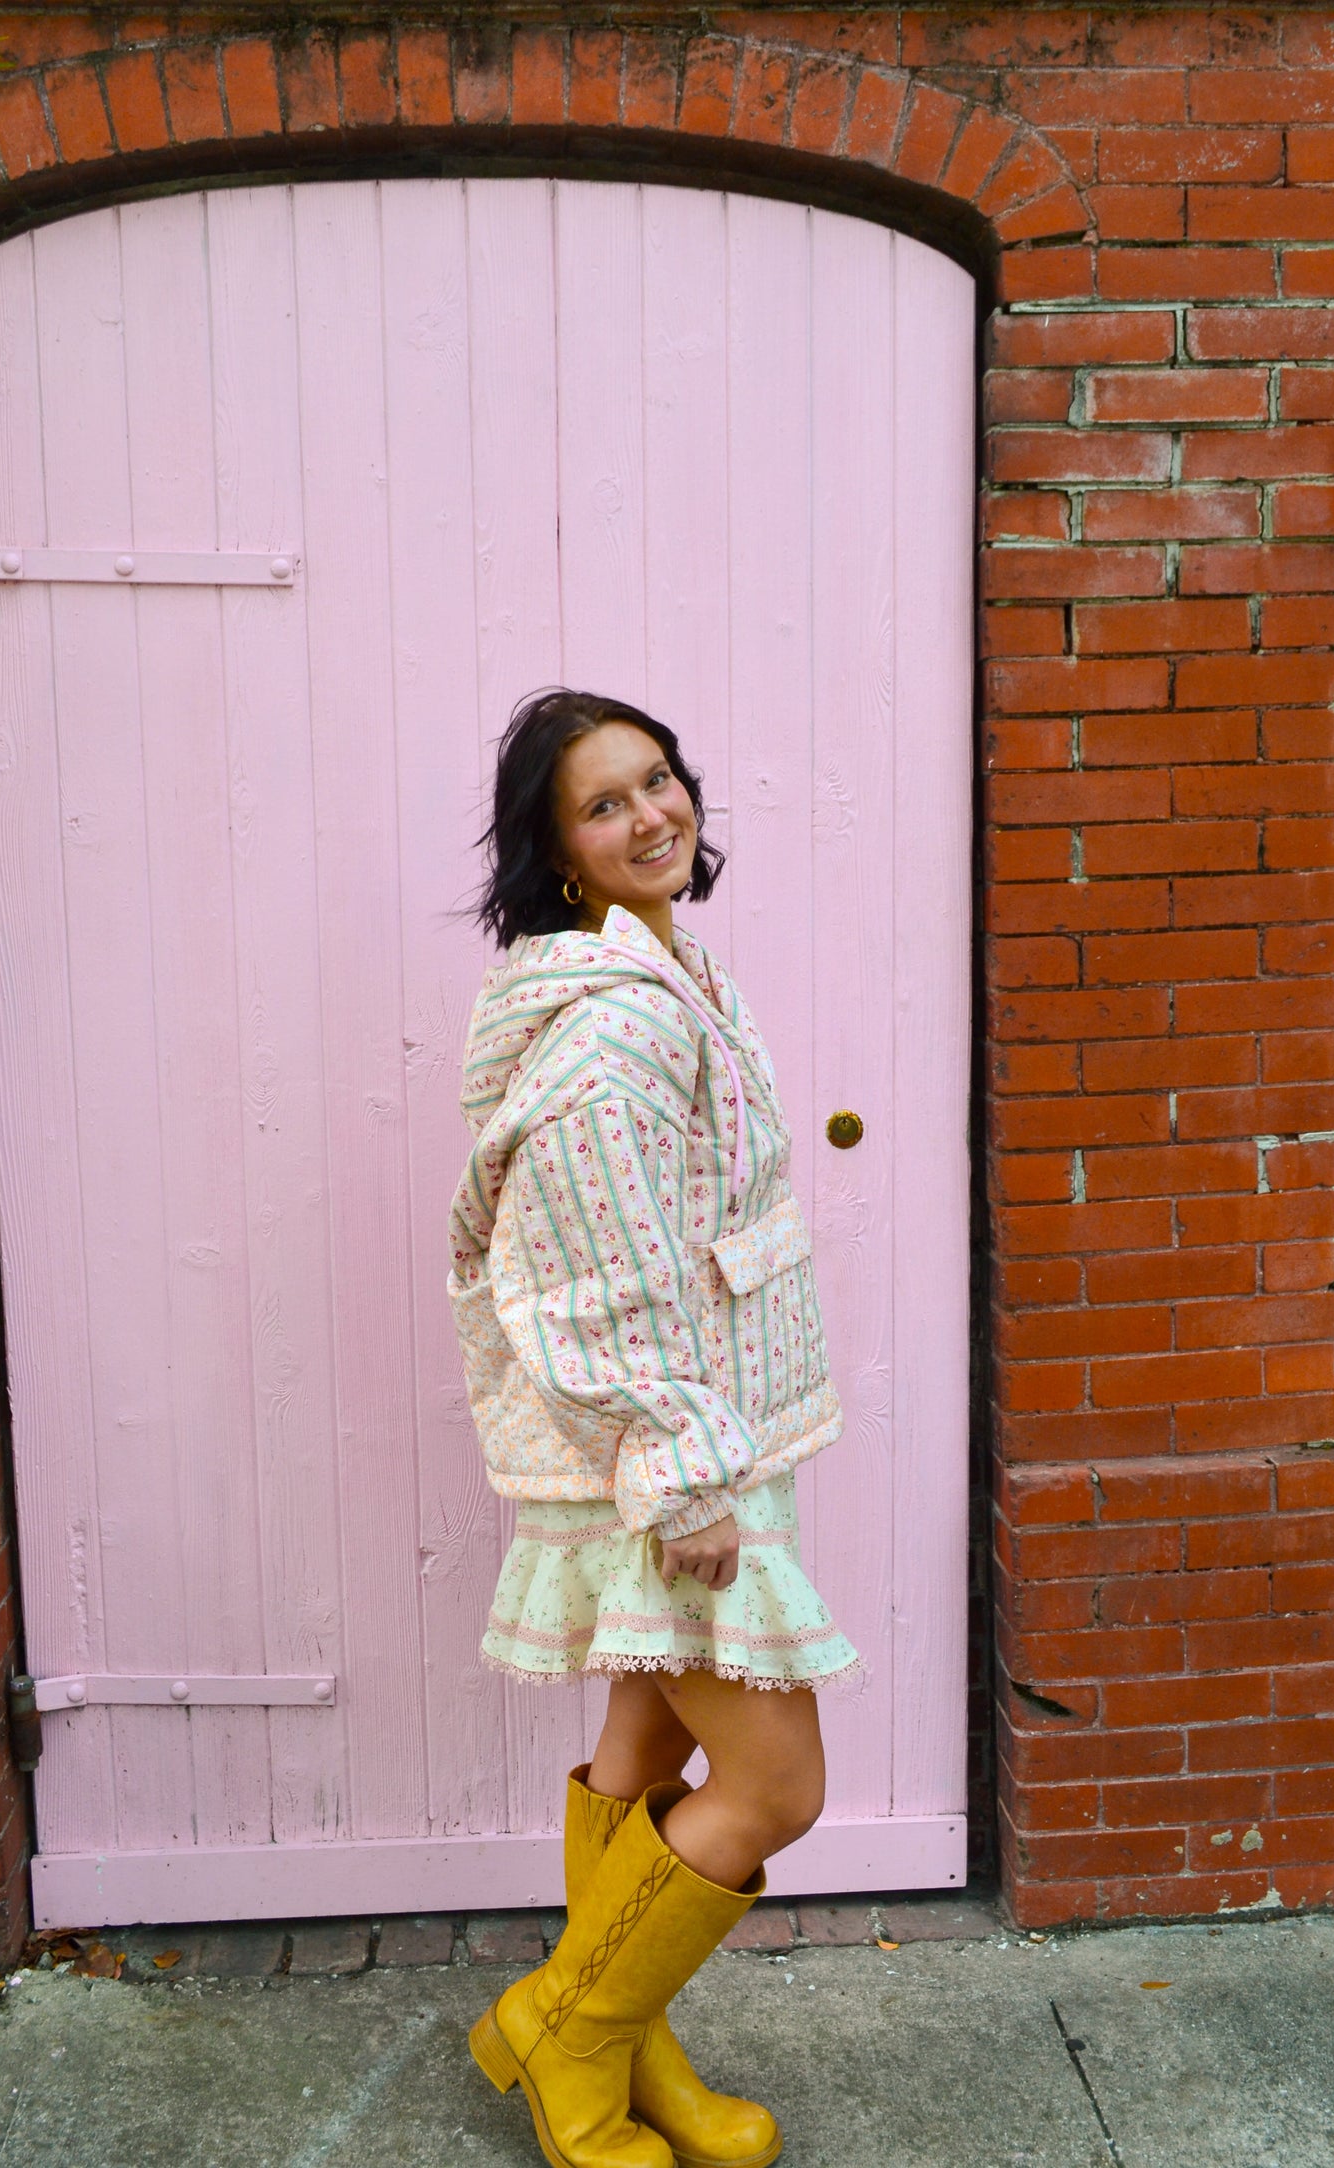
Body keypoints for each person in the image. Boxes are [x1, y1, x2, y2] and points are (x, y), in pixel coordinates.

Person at [448, 688, 860, 2168]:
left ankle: (615, 2059)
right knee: (772, 1788)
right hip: (666, 1468)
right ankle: (569, 2022)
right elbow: (586, 1273)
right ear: (557, 852)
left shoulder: (668, 971)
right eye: (605, 804)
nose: (651, 815)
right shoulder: (612, 1028)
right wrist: (681, 1472)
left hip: (697, 1443)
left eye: (661, 780)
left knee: (635, 1753)